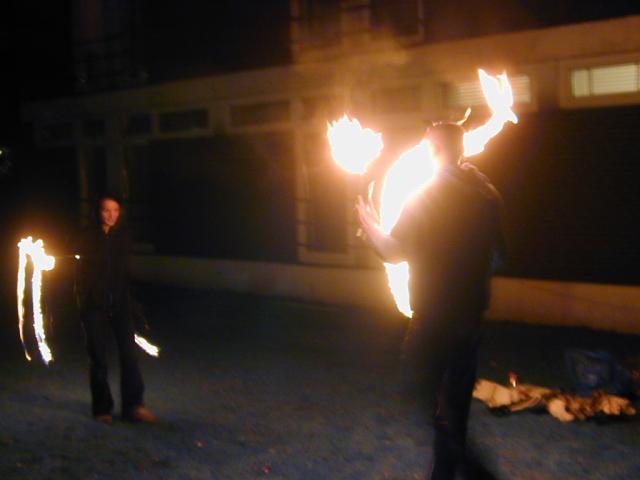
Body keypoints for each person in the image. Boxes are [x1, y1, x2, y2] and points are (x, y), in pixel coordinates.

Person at [356, 123, 505, 479]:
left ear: (434, 149)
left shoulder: (427, 194)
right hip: (471, 317)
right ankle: (446, 472)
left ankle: (474, 471)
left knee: (421, 391)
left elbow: (393, 252)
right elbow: (500, 256)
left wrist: (370, 225)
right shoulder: (488, 194)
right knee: (455, 404)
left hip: (434, 317)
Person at [75, 194, 157, 424]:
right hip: (94, 306)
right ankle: (102, 408)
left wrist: (131, 304)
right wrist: (86, 297)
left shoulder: (124, 236)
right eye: (106, 210)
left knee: (129, 355)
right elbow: (77, 266)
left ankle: (134, 406)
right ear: (98, 211)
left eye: (115, 210)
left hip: (120, 303)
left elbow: (124, 271)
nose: (111, 215)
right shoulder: (86, 236)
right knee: (98, 357)